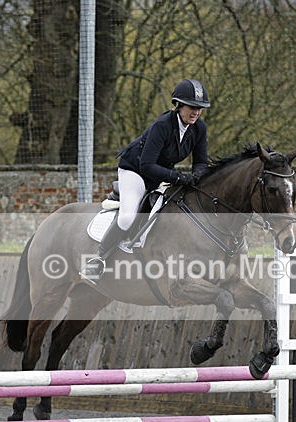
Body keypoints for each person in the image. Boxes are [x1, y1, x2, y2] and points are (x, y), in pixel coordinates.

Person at [81, 78, 211, 281]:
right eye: (192, 107)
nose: (196, 112)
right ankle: (98, 260)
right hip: (135, 172)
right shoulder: (162, 126)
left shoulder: (199, 128)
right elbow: (147, 166)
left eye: (200, 108)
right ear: (178, 105)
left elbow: (201, 162)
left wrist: (197, 178)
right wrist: (178, 177)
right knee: (127, 217)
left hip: (160, 173)